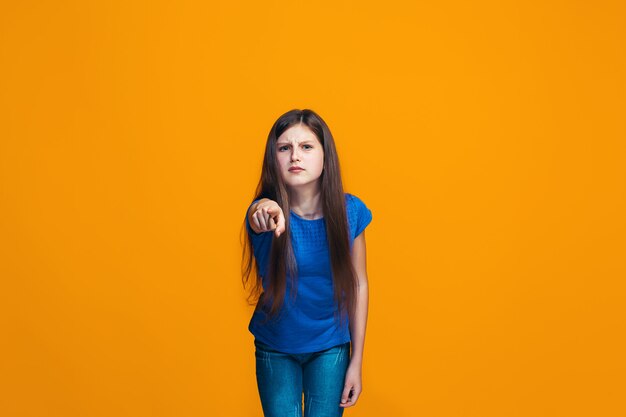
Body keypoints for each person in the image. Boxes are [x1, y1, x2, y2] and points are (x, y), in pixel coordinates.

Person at [241, 108, 373, 417]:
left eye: (306, 147)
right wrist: (264, 210)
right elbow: (259, 213)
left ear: (326, 155)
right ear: (273, 159)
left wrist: (357, 362)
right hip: (276, 346)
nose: (294, 156)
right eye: (284, 148)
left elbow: (359, 284)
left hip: (331, 346)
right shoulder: (266, 211)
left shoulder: (350, 211)